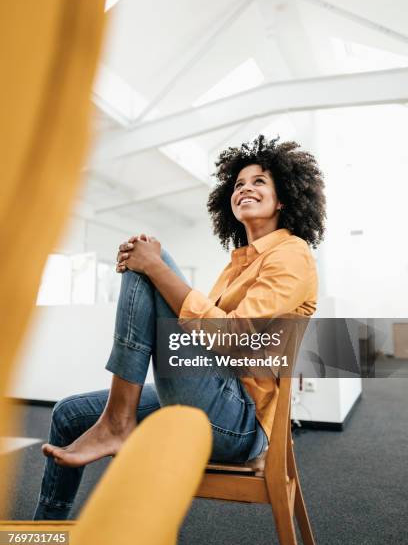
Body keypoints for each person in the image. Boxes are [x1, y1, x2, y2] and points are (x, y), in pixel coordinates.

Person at [33, 135, 325, 519]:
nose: (245, 189)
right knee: (69, 414)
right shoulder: (237, 264)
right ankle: (43, 534)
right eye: (238, 184)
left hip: (238, 421)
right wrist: (152, 269)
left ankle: (117, 422)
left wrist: (153, 267)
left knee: (154, 258)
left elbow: (235, 341)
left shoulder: (291, 254)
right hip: (214, 392)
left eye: (259, 182)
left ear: (283, 198)